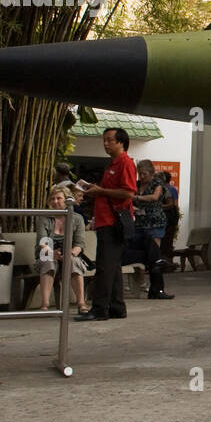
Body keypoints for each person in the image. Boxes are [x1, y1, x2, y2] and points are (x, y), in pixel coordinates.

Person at [75, 127, 137, 321]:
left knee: (104, 266)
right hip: (105, 220)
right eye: (104, 140)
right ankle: (117, 307)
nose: (106, 143)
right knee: (113, 266)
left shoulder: (124, 163)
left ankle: (99, 309)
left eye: (110, 140)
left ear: (121, 142)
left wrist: (100, 191)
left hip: (112, 222)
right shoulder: (113, 163)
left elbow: (128, 193)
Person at [36, 187, 88, 313]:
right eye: (52, 199)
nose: (55, 201)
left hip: (70, 253)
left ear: (67, 200)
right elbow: (42, 242)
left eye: (59, 198)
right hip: (48, 252)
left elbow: (80, 244)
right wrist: (51, 253)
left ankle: (81, 302)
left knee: (73, 261)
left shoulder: (77, 219)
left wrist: (70, 253)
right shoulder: (44, 218)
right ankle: (45, 304)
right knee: (49, 261)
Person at [129, 159, 173, 300]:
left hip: (154, 222)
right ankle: (140, 284)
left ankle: (157, 289)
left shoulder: (157, 184)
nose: (142, 177)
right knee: (141, 255)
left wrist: (136, 197)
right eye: (140, 174)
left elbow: (155, 197)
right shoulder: (136, 184)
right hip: (140, 223)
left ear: (151, 173)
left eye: (145, 174)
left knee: (155, 256)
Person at [159, 171, 180, 264]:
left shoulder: (162, 189)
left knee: (163, 240)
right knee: (168, 240)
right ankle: (168, 261)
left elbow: (172, 204)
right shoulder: (173, 189)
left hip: (164, 217)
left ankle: (164, 261)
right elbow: (176, 204)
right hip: (171, 218)